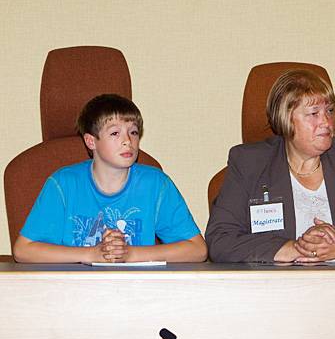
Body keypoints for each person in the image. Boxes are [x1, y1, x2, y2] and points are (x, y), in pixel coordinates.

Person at [205, 70, 335, 263]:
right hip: (276, 292)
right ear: (285, 118)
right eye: (313, 113)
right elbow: (220, 239)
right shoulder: (249, 162)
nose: (326, 122)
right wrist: (293, 248)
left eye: (329, 111)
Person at [13, 94, 207, 263]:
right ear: (91, 141)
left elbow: (197, 250)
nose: (127, 141)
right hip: (74, 292)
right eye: (115, 133)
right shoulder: (64, 183)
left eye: (133, 132)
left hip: (137, 292)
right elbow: (23, 250)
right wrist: (92, 254)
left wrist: (130, 254)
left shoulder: (156, 184)